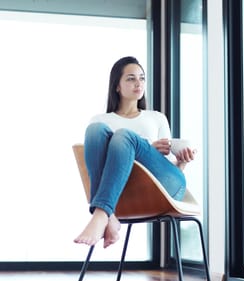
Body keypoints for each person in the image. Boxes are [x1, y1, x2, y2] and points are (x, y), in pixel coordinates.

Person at [74, 56, 196, 248]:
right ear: (117, 86)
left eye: (142, 78)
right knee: (94, 130)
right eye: (131, 78)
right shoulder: (101, 120)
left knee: (124, 136)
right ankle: (107, 213)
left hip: (166, 185)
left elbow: (175, 171)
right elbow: (98, 166)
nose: (138, 83)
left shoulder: (156, 117)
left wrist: (179, 160)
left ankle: (100, 214)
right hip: (124, 190)